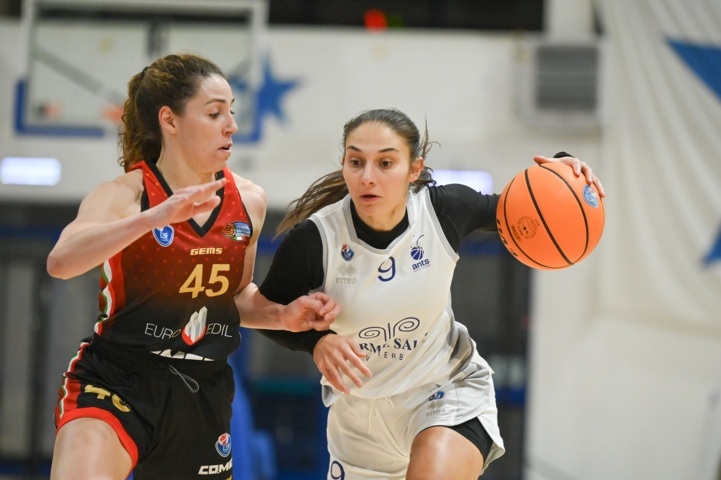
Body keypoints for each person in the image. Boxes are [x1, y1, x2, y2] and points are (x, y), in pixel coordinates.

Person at [255, 108, 606, 479]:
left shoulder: (443, 210)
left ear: (414, 169)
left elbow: (526, 208)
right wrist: (316, 343)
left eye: (385, 163)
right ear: (344, 164)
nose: (368, 176)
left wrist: (566, 168)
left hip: (443, 389)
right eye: (356, 162)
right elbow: (264, 312)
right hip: (360, 418)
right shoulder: (316, 240)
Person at [46, 53, 338, 480]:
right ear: (170, 119)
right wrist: (154, 218)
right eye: (215, 113)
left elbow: (234, 296)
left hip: (201, 389)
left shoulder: (249, 201)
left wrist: (282, 315)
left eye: (231, 112)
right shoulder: (125, 195)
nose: (231, 125)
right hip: (117, 379)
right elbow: (61, 262)